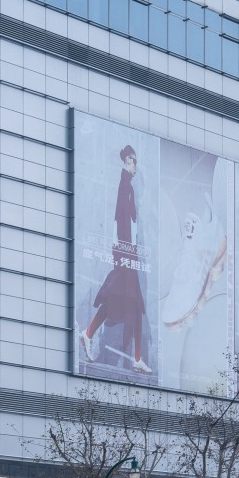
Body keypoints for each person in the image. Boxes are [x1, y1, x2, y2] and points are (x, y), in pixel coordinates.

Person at [80, 146, 151, 371]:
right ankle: (91, 334)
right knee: (133, 302)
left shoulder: (127, 186)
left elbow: (126, 222)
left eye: (136, 162)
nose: (135, 166)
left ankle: (90, 334)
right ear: (126, 161)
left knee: (130, 304)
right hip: (124, 254)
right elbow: (120, 221)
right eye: (133, 161)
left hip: (126, 253)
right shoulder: (125, 185)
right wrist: (124, 253)